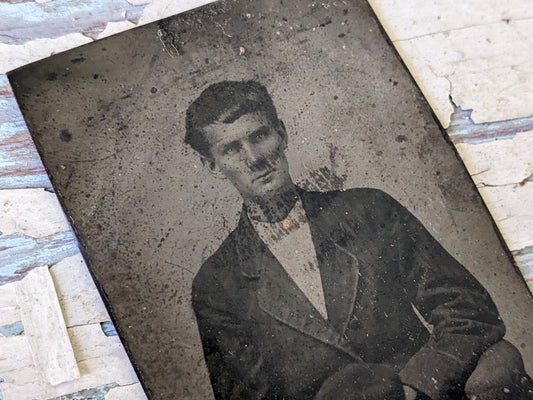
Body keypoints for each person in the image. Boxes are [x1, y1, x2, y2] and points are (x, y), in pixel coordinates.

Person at [186, 80, 531, 399]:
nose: (254, 158)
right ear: (212, 166)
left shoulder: (368, 210)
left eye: (260, 136)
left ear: (282, 134)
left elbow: (468, 311)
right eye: (232, 149)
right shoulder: (218, 283)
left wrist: (417, 386)